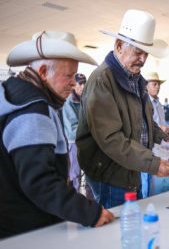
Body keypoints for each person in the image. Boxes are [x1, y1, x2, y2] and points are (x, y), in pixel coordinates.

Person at [0, 31, 114, 238]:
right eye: (68, 75)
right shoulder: (33, 112)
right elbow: (40, 182)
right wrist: (90, 212)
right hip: (27, 231)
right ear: (43, 71)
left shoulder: (15, 97)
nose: (73, 83)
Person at [76, 9, 169, 208]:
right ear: (119, 45)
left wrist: (165, 141)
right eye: (138, 52)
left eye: (146, 53)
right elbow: (111, 138)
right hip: (110, 174)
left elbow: (145, 122)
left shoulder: (136, 80)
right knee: (116, 232)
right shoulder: (102, 80)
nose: (143, 59)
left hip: (129, 168)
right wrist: (153, 164)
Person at [62, 73, 87, 192]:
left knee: (89, 174)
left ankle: (91, 203)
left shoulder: (85, 99)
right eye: (80, 83)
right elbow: (72, 129)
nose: (83, 86)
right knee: (75, 175)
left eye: (84, 83)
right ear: (74, 85)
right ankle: (75, 201)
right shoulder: (69, 102)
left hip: (86, 139)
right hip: (74, 142)